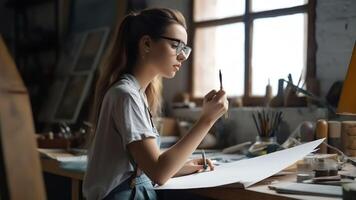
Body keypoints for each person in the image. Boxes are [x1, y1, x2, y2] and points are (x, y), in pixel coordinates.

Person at [83, 8, 228, 200]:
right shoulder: (126, 95)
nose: (183, 56)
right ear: (147, 44)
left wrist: (181, 167)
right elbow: (158, 172)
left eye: (185, 48)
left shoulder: (136, 93)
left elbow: (146, 167)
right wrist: (206, 120)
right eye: (175, 45)